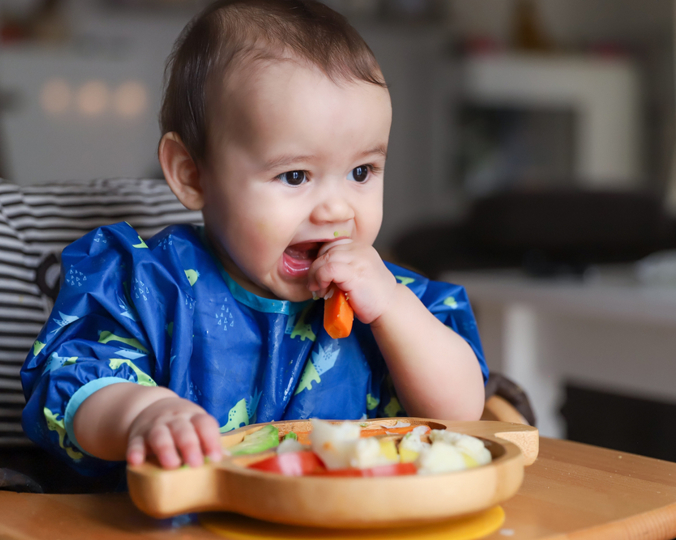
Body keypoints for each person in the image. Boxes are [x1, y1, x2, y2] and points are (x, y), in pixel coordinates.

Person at [21, 0, 487, 478]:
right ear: (192, 175)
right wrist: (142, 414)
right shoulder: (148, 287)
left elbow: (462, 412)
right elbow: (73, 387)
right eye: (294, 175)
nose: (337, 209)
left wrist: (393, 310)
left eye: (361, 171)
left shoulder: (390, 301)